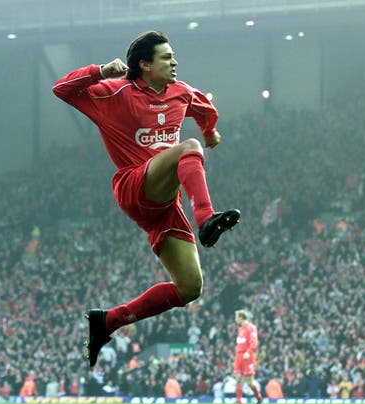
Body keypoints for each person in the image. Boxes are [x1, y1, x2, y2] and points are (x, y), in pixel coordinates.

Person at [52, 30, 240, 366]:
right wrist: (99, 71)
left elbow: (206, 109)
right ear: (144, 64)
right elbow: (61, 89)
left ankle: (107, 321)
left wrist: (211, 132)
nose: (174, 62)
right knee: (189, 148)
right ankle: (206, 218)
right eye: (167, 57)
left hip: (165, 201)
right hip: (134, 185)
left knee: (189, 288)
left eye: (173, 56)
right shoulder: (115, 92)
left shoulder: (180, 93)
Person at [233, 310, 262, 404]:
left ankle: (258, 397)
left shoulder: (251, 328)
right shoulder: (240, 329)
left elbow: (254, 342)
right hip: (239, 357)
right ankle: (239, 403)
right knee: (238, 379)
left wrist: (248, 352)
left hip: (248, 357)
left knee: (249, 382)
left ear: (241, 318)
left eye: (236, 317)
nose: (235, 319)